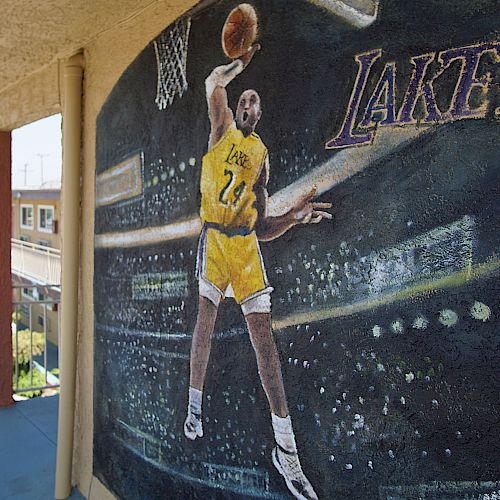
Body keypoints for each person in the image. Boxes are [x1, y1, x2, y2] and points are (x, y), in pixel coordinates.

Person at [184, 44, 332, 500]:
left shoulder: (261, 157)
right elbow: (213, 86)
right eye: (243, 99)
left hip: (245, 246)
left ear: (260, 114)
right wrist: (236, 67)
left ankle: (286, 453)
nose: (246, 105)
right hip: (214, 239)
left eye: (253, 102)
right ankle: (194, 407)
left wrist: (293, 219)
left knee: (263, 341)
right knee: (205, 320)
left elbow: (263, 226)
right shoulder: (220, 130)